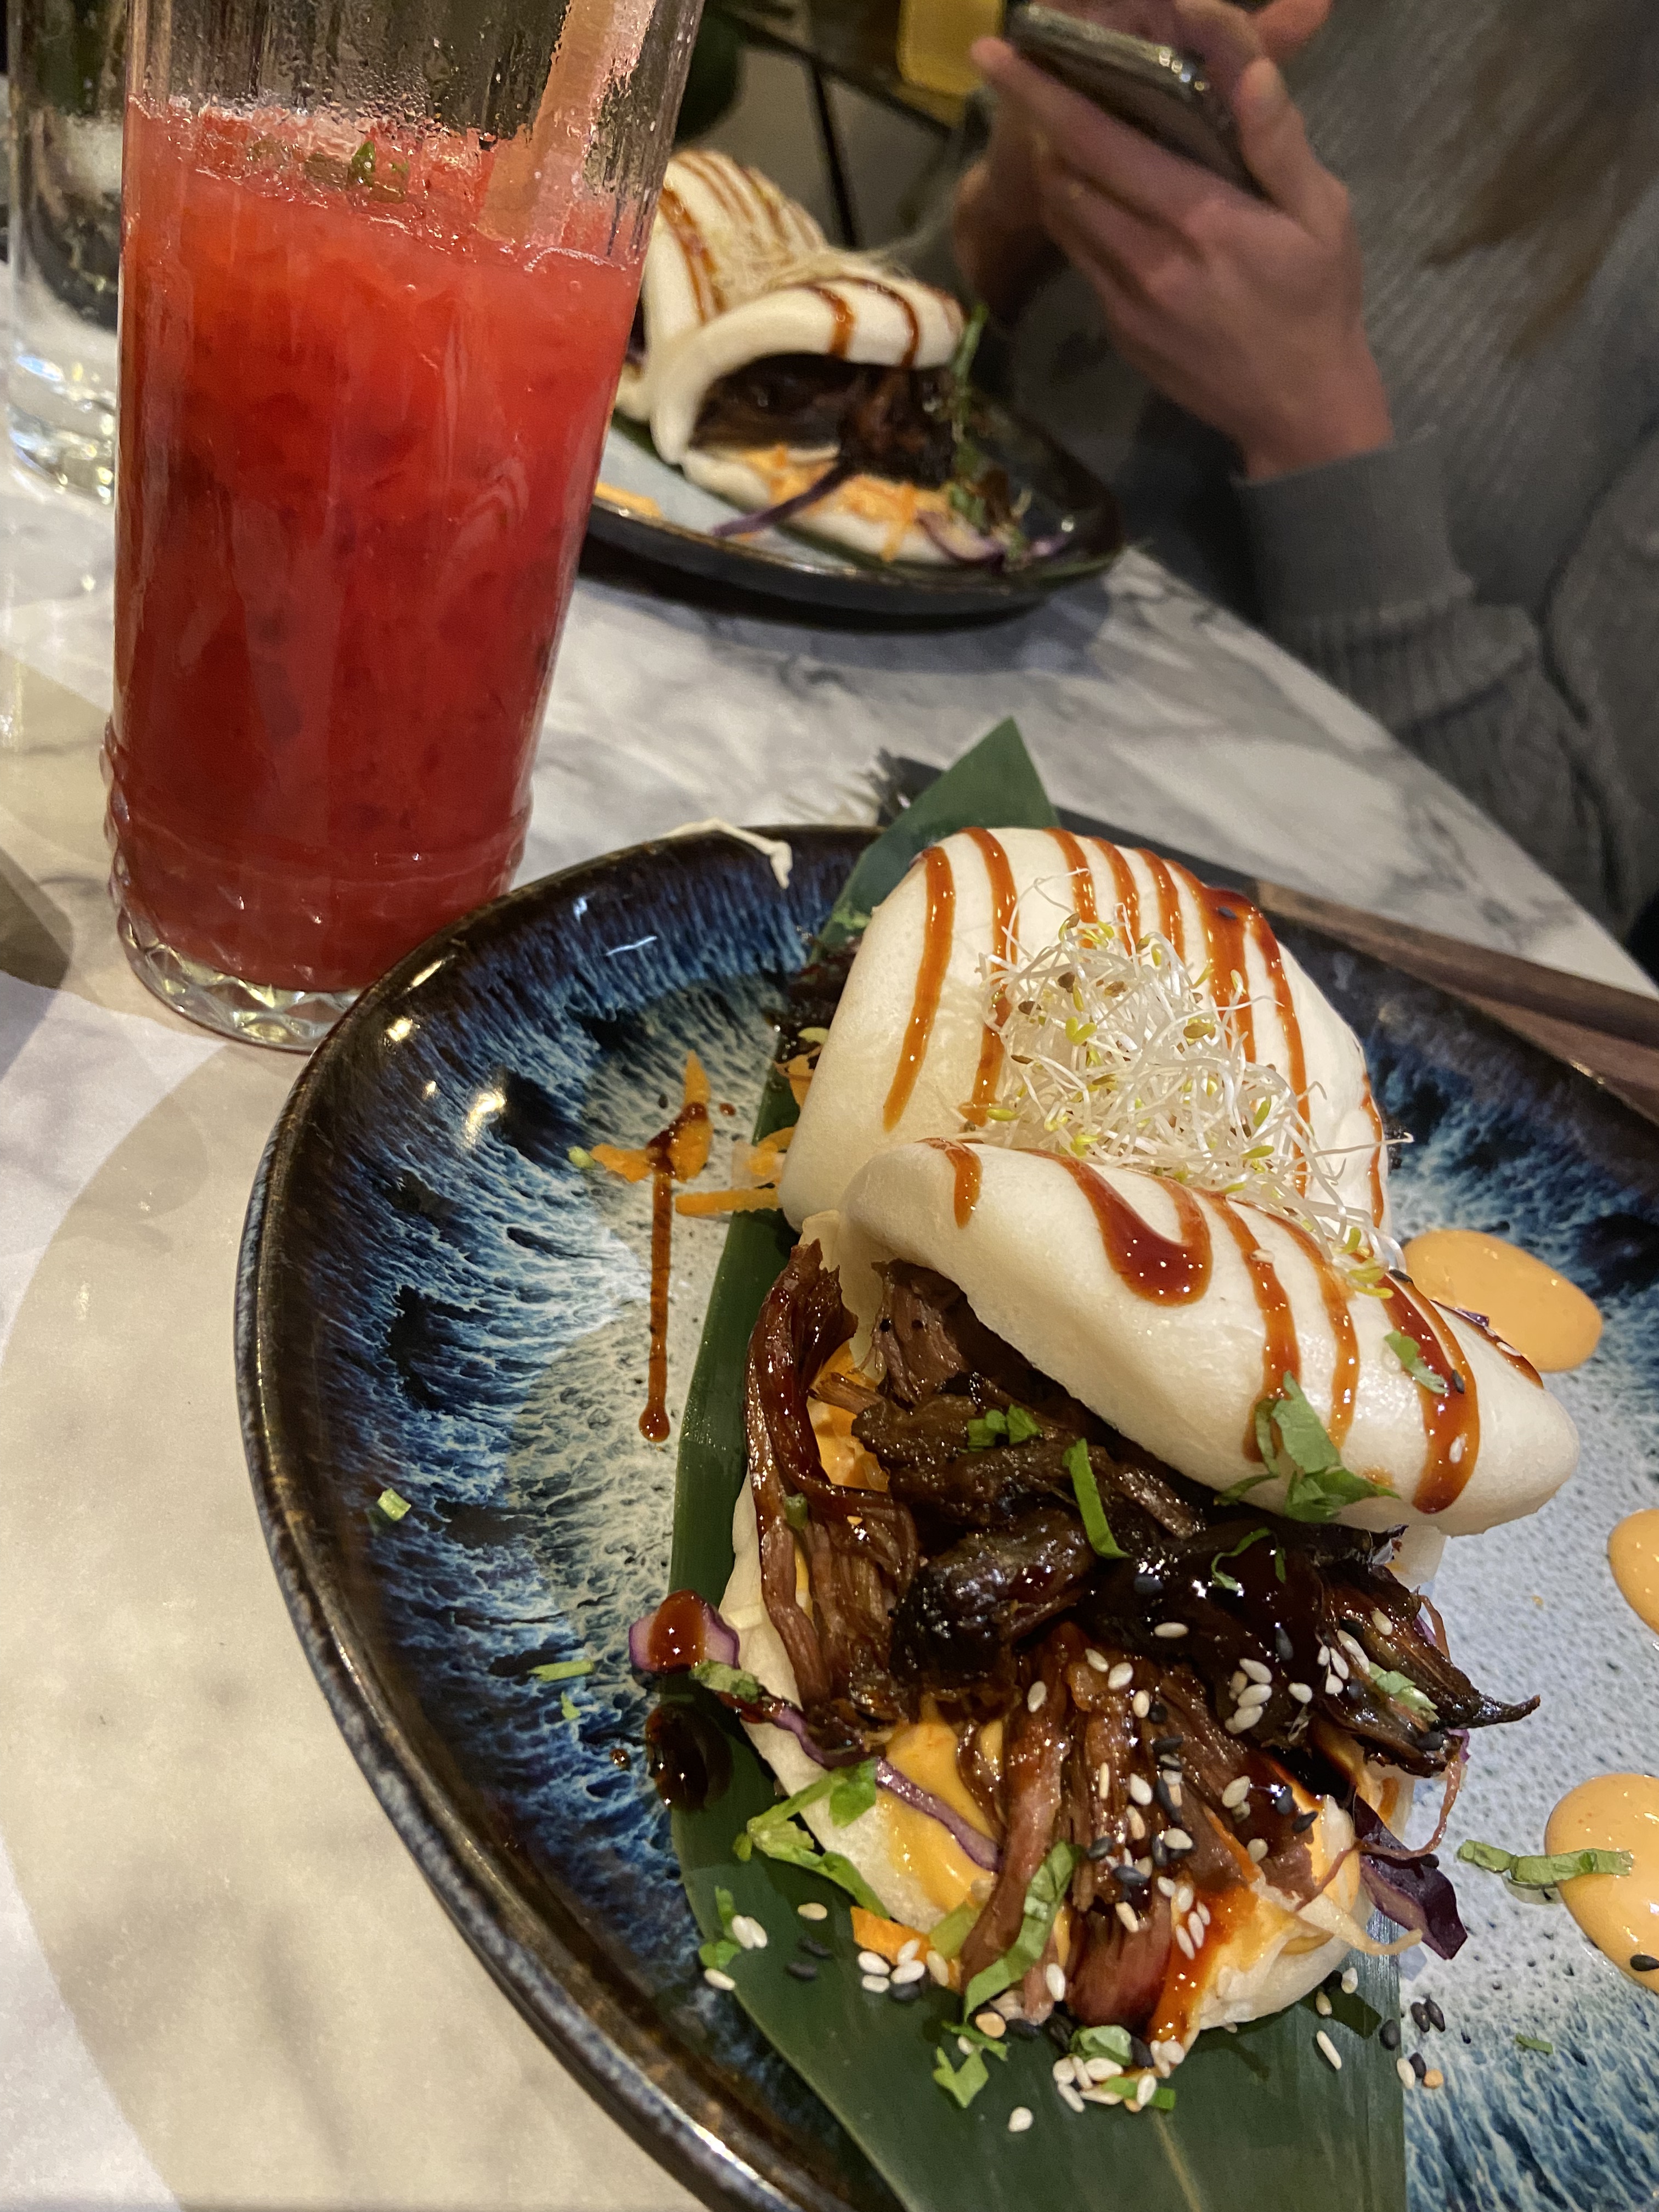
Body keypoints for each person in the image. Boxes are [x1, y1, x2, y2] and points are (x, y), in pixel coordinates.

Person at [901, 0, 1659, 941]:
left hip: (1223, 961)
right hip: (855, 712)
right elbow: (843, 385)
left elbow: (1574, 879)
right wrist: (1003, 223)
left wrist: (1317, 431)